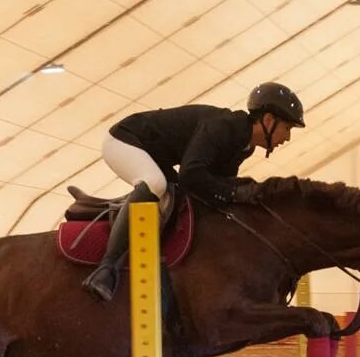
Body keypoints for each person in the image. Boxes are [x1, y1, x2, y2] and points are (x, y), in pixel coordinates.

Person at [81, 82, 306, 302]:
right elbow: (191, 175)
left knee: (179, 201)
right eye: (287, 128)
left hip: (155, 156)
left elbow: (216, 187)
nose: (286, 138)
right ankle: (106, 269)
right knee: (155, 184)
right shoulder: (223, 126)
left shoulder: (244, 146)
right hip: (124, 141)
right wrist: (236, 193)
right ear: (268, 120)